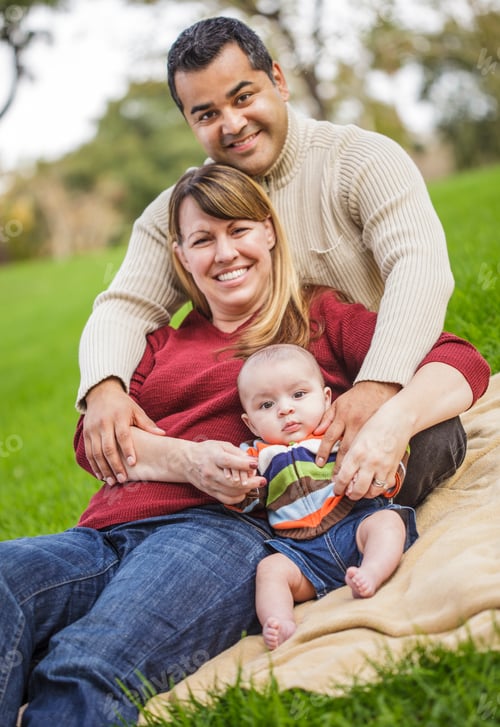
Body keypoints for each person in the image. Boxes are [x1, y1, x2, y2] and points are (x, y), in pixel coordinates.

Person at [1, 164, 488, 727]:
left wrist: (389, 420)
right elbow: (95, 446)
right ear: (182, 257)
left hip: (216, 534)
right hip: (98, 536)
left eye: (239, 230)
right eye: (203, 239)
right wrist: (189, 460)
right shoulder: (158, 344)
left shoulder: (317, 318)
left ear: (270, 233)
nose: (225, 252)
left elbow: (461, 362)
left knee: (86, 661)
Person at [78, 17, 464, 507]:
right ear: (191, 123)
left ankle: (322, 530)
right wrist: (105, 386)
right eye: (207, 114)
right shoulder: (181, 209)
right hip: (269, 417)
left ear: (278, 81)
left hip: (366, 373)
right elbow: (126, 306)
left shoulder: (361, 160)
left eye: (243, 98)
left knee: (429, 438)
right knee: (242, 470)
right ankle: (278, 528)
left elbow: (419, 267)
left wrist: (378, 385)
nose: (233, 124)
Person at [233, 343, 417, 650]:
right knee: (270, 570)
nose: (285, 409)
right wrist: (236, 482)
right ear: (250, 423)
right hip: (302, 553)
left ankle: (371, 571)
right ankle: (278, 621)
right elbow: (246, 500)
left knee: (387, 522)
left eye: (298, 395)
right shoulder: (258, 457)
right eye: (266, 405)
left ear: (326, 397)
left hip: (355, 523)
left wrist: (384, 473)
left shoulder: (340, 435)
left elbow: (388, 457)